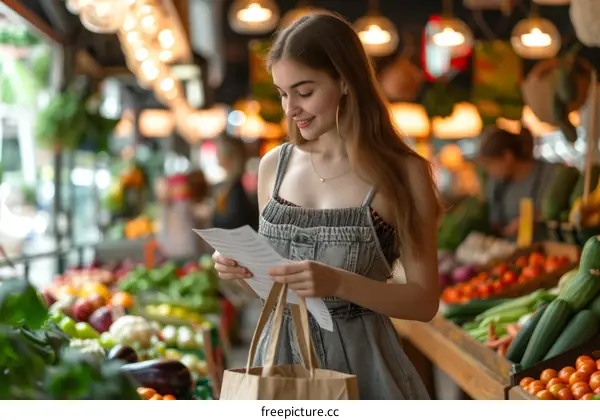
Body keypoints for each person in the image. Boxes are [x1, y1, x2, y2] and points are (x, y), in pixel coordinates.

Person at [212, 12, 441, 400]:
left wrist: (338, 283)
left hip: (365, 367)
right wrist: (243, 269)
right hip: (280, 368)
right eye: (283, 94)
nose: (290, 109)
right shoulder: (273, 166)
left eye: (304, 92)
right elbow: (275, 294)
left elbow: (423, 301)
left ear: (345, 81)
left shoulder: (404, 174)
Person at [477, 125, 557, 239]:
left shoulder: (549, 174)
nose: (489, 172)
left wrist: (537, 218)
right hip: (515, 251)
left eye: (490, 164)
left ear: (508, 157)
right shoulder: (498, 185)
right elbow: (496, 224)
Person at [195, 134, 259, 231]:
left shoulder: (238, 186)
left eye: (219, 151)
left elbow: (234, 222)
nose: (216, 155)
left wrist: (210, 215)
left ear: (230, 156)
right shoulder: (229, 184)